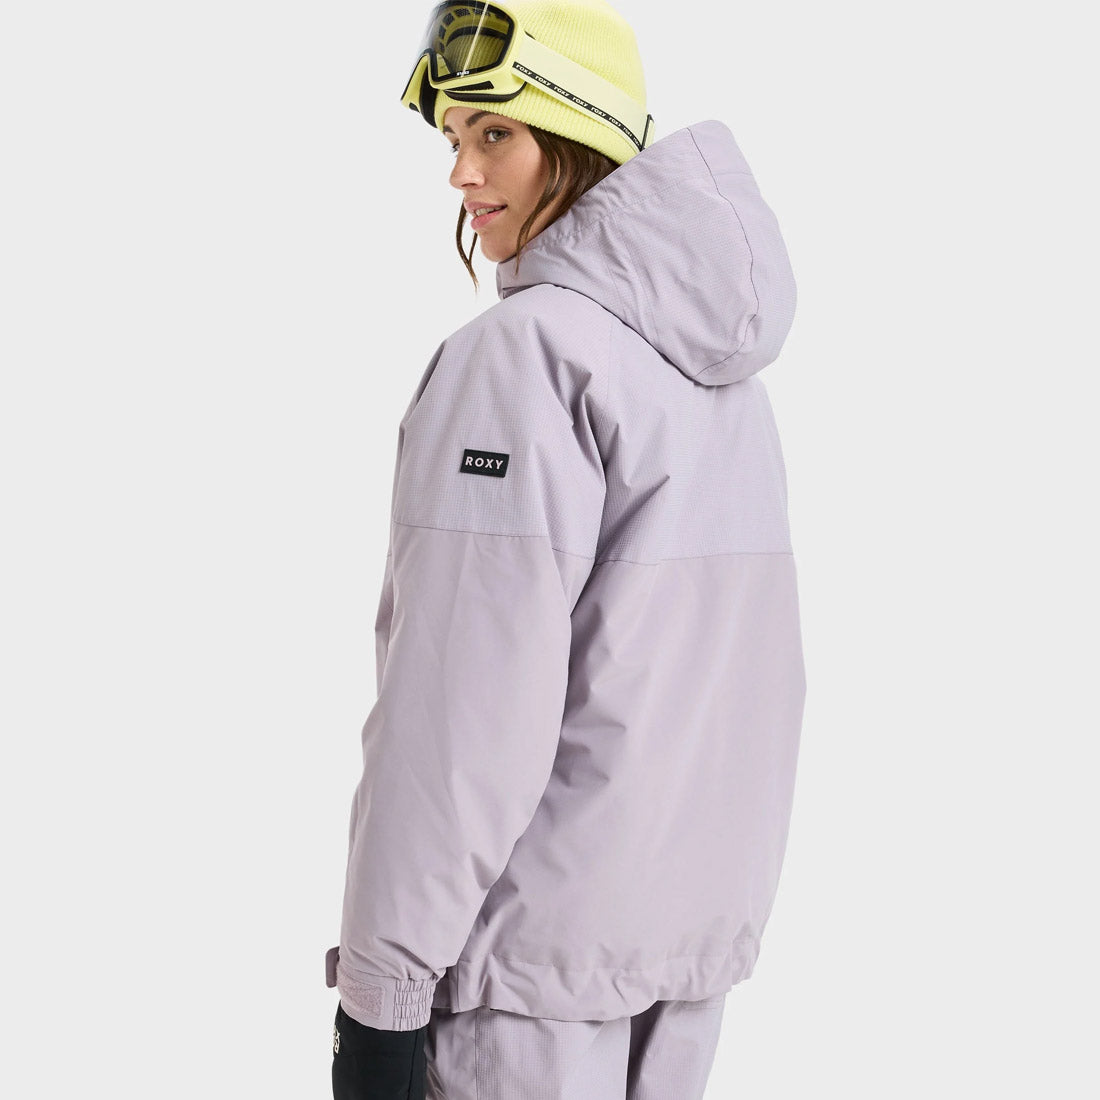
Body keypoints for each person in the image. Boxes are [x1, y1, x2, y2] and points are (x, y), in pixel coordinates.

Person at [326, 2, 805, 1097]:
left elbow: (461, 715)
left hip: (520, 995)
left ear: (578, 133)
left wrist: (379, 1002)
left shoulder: (521, 358)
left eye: (495, 133)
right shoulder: (723, 377)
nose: (462, 173)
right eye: (455, 138)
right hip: (678, 973)